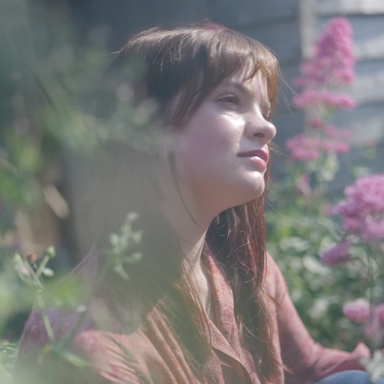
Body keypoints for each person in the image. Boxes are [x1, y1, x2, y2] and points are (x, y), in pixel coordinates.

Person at [16, 22, 377, 384]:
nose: (267, 128)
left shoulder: (248, 267)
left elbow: (310, 368)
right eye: (231, 100)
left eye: (265, 111)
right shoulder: (90, 336)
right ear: (144, 127)